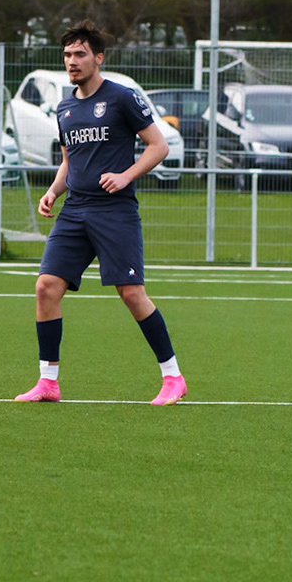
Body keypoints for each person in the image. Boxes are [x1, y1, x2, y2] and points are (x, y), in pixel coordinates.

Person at [16, 20, 186, 407]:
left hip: (114, 212)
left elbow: (159, 146)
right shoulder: (65, 106)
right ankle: (48, 382)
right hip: (75, 210)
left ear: (98, 58)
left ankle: (173, 377)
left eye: (79, 54)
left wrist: (126, 175)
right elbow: (69, 159)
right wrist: (53, 191)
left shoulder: (122, 97)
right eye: (66, 55)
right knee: (46, 287)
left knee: (131, 293)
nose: (71, 62)